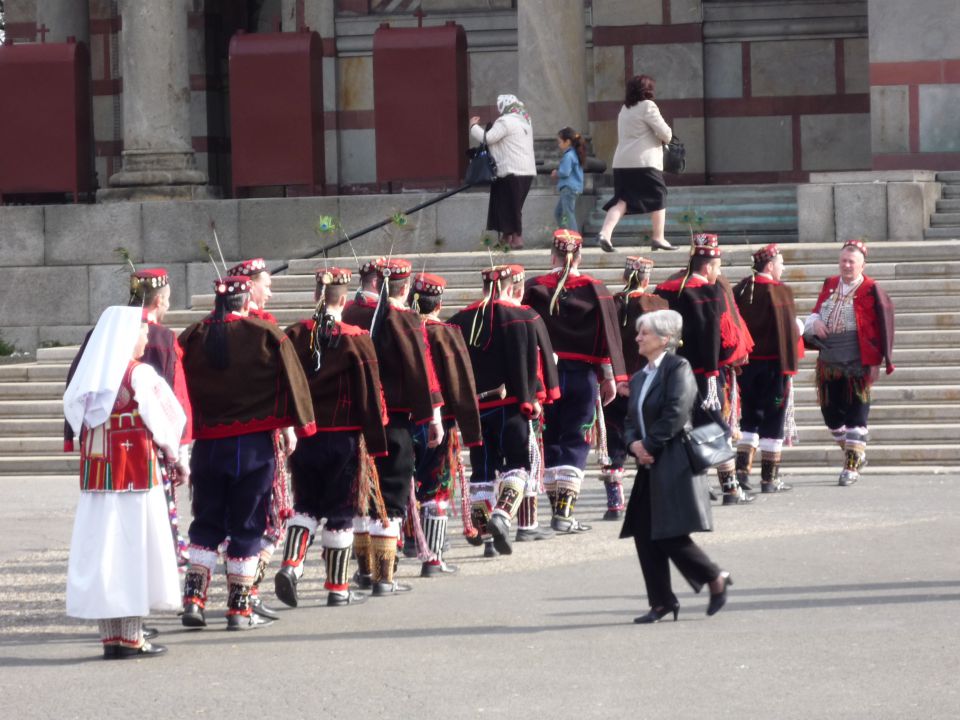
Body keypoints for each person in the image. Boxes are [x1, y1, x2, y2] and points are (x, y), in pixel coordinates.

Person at [178, 275, 316, 630]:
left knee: (205, 522)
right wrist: (300, 425)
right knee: (248, 524)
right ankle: (239, 609)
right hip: (252, 446)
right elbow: (293, 379)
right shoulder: (264, 334)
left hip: (207, 445)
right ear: (245, 300)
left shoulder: (192, 336)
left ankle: (193, 599)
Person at [64, 306, 187, 659]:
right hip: (136, 476)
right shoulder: (140, 375)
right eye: (141, 331)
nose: (147, 337)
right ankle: (132, 637)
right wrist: (176, 458)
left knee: (103, 552)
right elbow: (169, 420)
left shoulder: (89, 378)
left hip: (98, 478)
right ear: (125, 336)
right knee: (133, 551)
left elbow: (74, 416)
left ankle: (111, 638)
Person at [275, 267, 388, 608]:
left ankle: (291, 564)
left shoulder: (294, 333)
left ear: (315, 296)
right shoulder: (356, 337)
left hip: (306, 436)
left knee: (306, 504)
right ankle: (337, 587)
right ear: (345, 298)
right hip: (343, 439)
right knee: (340, 512)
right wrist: (377, 429)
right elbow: (371, 393)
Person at [619, 309, 732, 623]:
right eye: (639, 332)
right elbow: (629, 420)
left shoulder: (677, 367)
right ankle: (662, 601)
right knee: (645, 530)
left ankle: (714, 577)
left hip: (674, 459)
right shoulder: (641, 375)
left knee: (669, 532)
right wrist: (634, 446)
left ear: (665, 339)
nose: (638, 337)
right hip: (649, 460)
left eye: (645, 333)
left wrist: (648, 445)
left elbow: (677, 412)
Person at [342, 257, 444, 595]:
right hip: (393, 419)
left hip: (352, 420)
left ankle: (363, 570)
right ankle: (384, 578)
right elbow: (421, 370)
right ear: (404, 286)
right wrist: (433, 417)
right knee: (392, 493)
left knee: (362, 496)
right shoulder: (403, 318)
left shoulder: (346, 314)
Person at [523, 229, 627, 533]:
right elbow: (608, 338)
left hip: (544, 377)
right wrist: (610, 376)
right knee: (575, 441)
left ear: (552, 255)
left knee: (552, 439)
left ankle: (559, 509)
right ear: (579, 256)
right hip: (582, 375)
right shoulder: (596, 289)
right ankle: (564, 513)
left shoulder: (533, 287)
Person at [654, 233, 754, 506]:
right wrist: (712, 373)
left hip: (672, 371)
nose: (718, 272)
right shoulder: (710, 293)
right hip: (704, 373)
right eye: (717, 267)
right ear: (708, 267)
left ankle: (692, 485)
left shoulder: (665, 290)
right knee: (715, 428)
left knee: (687, 428)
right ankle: (731, 488)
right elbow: (716, 336)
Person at [407, 272, 482, 575]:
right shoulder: (447, 333)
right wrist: (469, 423)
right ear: (439, 304)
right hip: (441, 420)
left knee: (407, 483)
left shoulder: (401, 331)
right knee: (436, 488)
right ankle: (433, 558)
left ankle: (410, 541)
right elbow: (460, 383)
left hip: (403, 420)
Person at [803, 239, 895, 486]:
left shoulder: (871, 289)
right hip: (829, 363)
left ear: (862, 264)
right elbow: (815, 312)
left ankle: (851, 467)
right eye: (843, 260)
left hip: (858, 362)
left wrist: (880, 359)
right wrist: (814, 324)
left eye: (851, 262)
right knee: (831, 416)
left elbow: (883, 326)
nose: (846, 266)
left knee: (857, 415)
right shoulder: (830, 284)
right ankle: (855, 452)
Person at [224, 257, 286, 619]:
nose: (270, 289)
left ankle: (210, 597)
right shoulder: (263, 326)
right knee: (265, 518)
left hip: (220, 436)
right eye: (266, 282)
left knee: (233, 521)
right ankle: (248, 593)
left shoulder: (211, 329)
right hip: (261, 434)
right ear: (249, 286)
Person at [601, 257, 668, 520]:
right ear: (647, 280)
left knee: (613, 440)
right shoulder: (658, 305)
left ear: (623, 277)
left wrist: (611, 377)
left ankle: (614, 502)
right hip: (649, 382)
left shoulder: (610, 304)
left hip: (615, 382)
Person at [733, 244, 801, 494]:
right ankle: (769, 479)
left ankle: (741, 473)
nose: (782, 268)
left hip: (747, 366)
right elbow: (788, 334)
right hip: (774, 366)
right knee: (773, 419)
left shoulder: (741, 288)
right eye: (781, 263)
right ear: (770, 266)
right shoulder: (780, 291)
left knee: (749, 418)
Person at [597, 74, 675, 253]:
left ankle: (605, 233)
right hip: (644, 162)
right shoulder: (648, 106)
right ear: (647, 90)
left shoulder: (625, 109)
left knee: (622, 200)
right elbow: (666, 134)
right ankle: (658, 238)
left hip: (622, 162)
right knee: (659, 194)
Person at [469, 93, 536, 250]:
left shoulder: (506, 121)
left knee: (510, 205)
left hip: (510, 170)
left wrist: (473, 126)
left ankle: (517, 238)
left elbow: (489, 138)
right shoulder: (525, 121)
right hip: (526, 171)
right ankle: (506, 236)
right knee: (511, 205)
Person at [551, 126, 585, 232]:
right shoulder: (575, 154)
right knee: (559, 213)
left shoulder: (569, 156)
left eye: (560, 142)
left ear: (568, 142)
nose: (559, 144)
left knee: (568, 214)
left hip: (568, 188)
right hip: (571, 188)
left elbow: (565, 172)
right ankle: (565, 235)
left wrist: (556, 173)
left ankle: (573, 239)